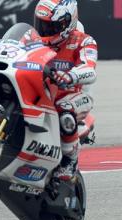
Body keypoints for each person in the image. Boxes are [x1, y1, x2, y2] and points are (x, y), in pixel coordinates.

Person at [34, 0, 98, 180]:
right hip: (43, 93)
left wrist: (71, 76)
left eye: (50, 26)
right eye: (41, 24)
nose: (44, 30)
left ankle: (70, 160)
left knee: (65, 110)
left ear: (66, 23)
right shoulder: (34, 40)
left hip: (75, 96)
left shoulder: (84, 41)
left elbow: (89, 69)